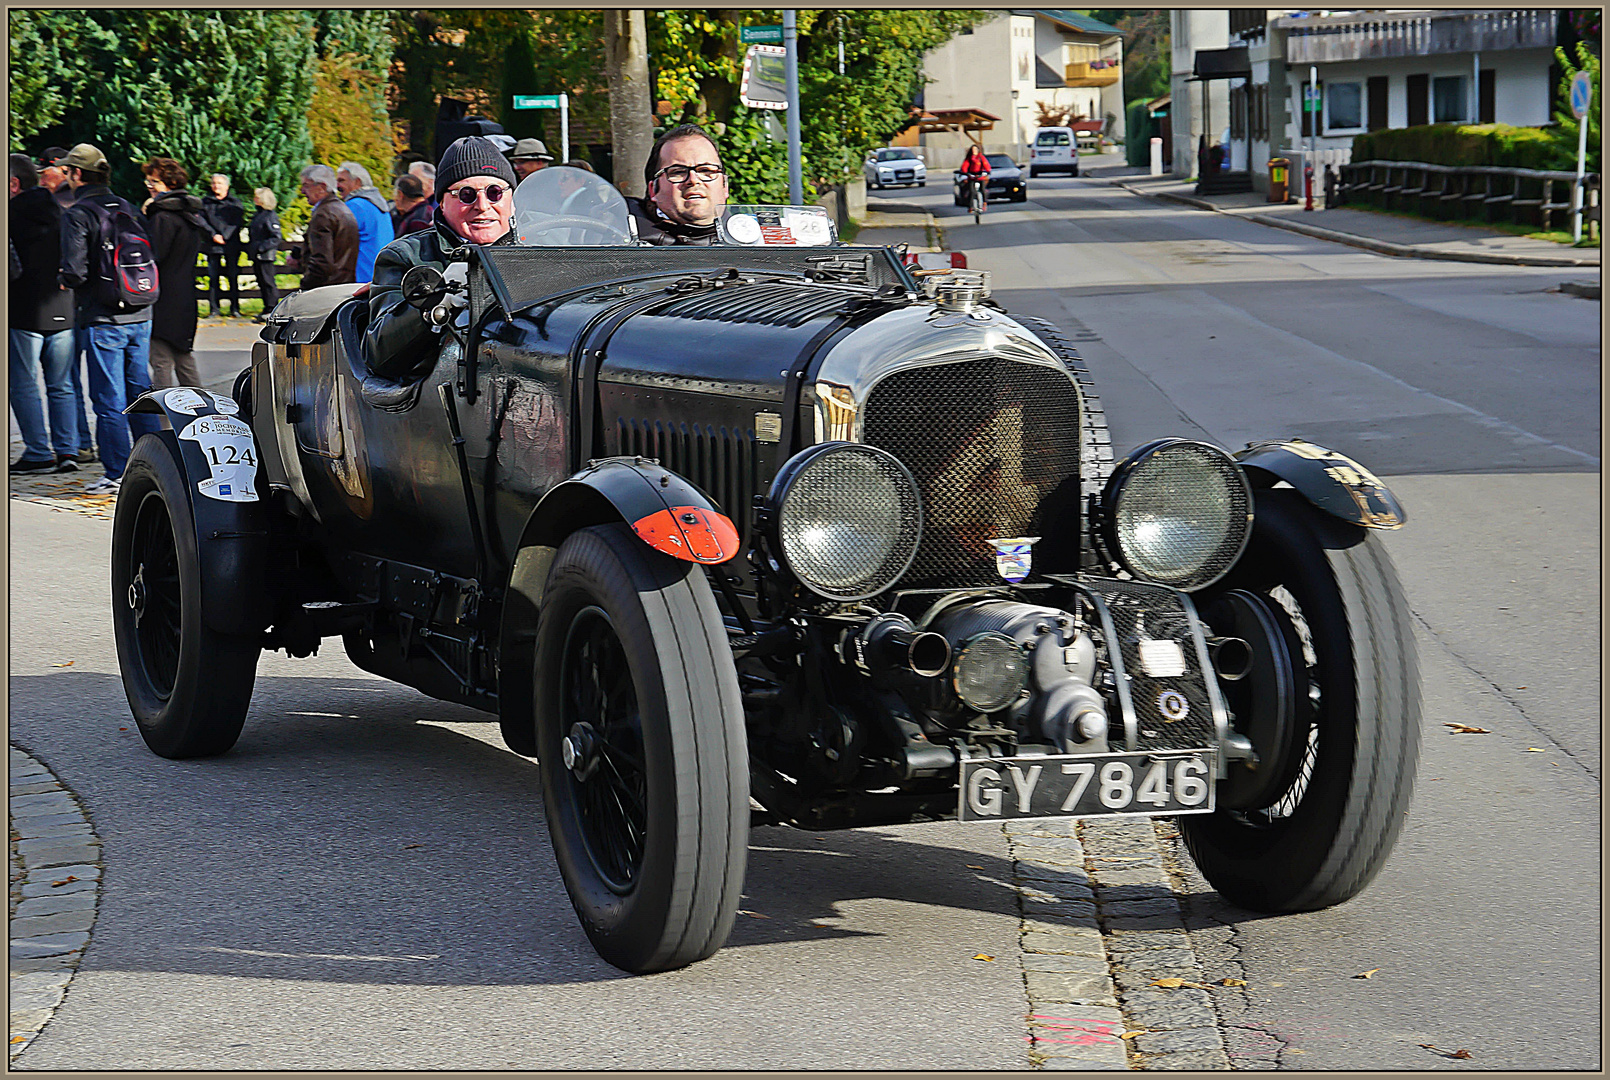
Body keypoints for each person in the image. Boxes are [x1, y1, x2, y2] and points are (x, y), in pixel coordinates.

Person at [364, 136, 516, 380]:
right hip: (446, 396)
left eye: (495, 192)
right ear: (442, 203)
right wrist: (437, 301)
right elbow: (378, 355)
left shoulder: (540, 247)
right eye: (466, 194)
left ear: (511, 199)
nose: (483, 205)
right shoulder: (405, 256)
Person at [57, 142, 161, 495]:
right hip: (140, 309)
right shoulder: (128, 206)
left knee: (109, 398)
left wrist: (63, 278)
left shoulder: (78, 212)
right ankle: (156, 467)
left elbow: (74, 271)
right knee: (140, 391)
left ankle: (117, 472)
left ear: (77, 174)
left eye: (68, 170)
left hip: (104, 317)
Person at [9, 154, 78, 473]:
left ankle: (38, 451)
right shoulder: (62, 211)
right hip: (62, 307)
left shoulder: (9, 215)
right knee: (61, 384)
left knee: (23, 384)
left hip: (23, 310)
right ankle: (68, 450)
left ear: (13, 183)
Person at [141, 157, 210, 389]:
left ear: (169, 183)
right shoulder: (190, 215)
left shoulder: (162, 217)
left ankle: (163, 419)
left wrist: (144, 219)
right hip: (185, 295)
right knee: (184, 358)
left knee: (161, 360)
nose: (149, 185)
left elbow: (153, 256)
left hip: (163, 296)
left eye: (154, 181)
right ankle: (202, 415)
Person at [626, 123, 728, 246]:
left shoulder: (753, 239)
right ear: (653, 189)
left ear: (725, 186)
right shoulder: (621, 237)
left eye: (706, 170)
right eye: (678, 172)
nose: (693, 180)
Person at [290, 164, 358, 289]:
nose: (302, 191)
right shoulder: (343, 209)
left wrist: (304, 287)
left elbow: (322, 263)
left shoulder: (323, 215)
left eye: (306, 186)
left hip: (326, 290)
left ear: (321, 187)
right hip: (345, 286)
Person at [336, 161, 394, 283]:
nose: (337, 186)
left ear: (357, 182)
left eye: (341, 181)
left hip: (362, 276)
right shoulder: (379, 204)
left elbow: (337, 239)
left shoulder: (355, 206)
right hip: (383, 274)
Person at [201, 173, 245, 317]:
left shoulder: (235, 203)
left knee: (233, 276)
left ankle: (235, 308)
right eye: (214, 183)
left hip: (231, 244)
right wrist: (213, 235)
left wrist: (224, 236)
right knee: (213, 277)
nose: (216, 186)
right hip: (212, 244)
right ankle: (214, 309)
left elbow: (237, 222)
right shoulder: (205, 202)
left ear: (226, 186)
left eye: (219, 183)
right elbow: (201, 221)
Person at [246, 187, 282, 321]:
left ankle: (273, 308)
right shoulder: (258, 215)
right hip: (257, 255)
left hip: (265, 255)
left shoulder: (269, 215)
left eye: (257, 197)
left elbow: (276, 236)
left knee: (268, 282)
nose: (254, 199)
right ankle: (267, 307)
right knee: (261, 282)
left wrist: (262, 248)